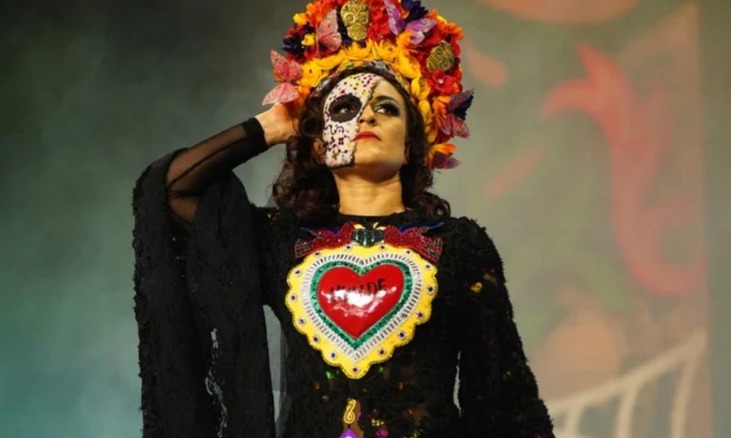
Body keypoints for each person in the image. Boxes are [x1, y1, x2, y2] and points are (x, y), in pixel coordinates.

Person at [132, 0, 555, 437]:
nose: (367, 114)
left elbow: (504, 399)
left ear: (411, 144)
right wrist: (271, 128)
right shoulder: (283, 240)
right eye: (343, 109)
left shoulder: (458, 244)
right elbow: (170, 190)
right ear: (318, 145)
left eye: (388, 108)